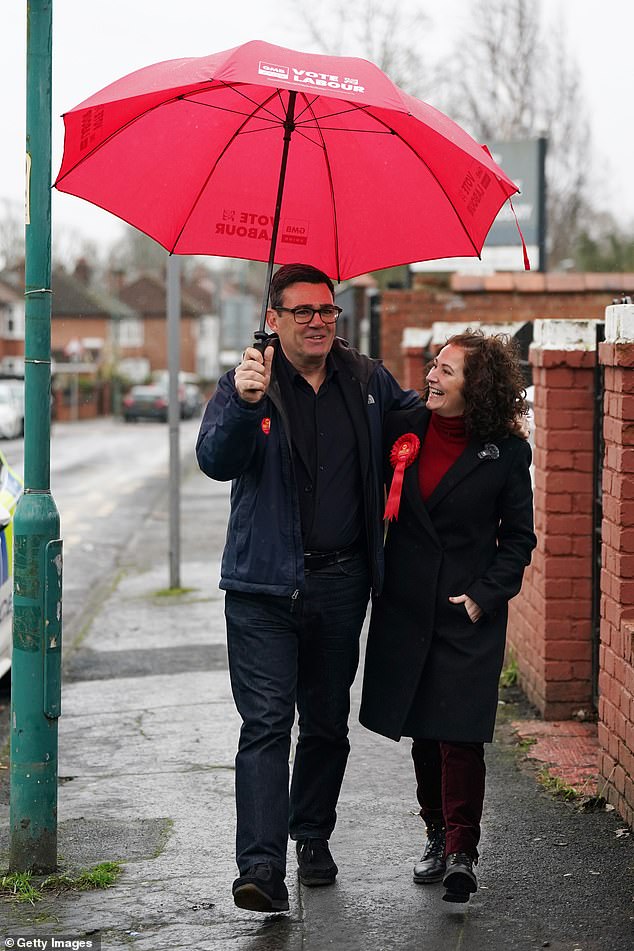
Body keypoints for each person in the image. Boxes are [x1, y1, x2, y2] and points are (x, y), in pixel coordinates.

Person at [196, 263, 419, 913]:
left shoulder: (367, 379)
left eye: (328, 310)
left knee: (325, 722)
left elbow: (423, 424)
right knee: (266, 723)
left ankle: (311, 834)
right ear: (274, 319)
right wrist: (243, 403)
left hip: (341, 581)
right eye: (304, 312)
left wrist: (485, 405)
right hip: (262, 586)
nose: (319, 321)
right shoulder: (249, 381)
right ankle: (261, 866)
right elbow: (216, 459)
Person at [359, 330, 536, 904]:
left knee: (459, 734)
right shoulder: (402, 426)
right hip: (407, 607)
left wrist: (487, 594)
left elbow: (518, 540)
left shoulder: (506, 452)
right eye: (432, 366)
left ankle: (462, 850)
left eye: (446, 371)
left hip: (467, 611)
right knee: (423, 731)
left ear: (475, 388)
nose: (430, 377)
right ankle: (436, 835)